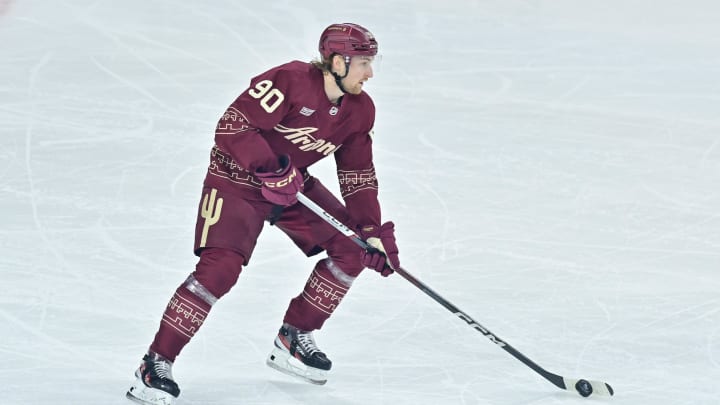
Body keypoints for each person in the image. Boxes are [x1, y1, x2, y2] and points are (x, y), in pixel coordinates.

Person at [126, 23, 401, 405]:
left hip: (291, 188)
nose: (370, 73)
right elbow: (232, 127)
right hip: (235, 181)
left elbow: (357, 176)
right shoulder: (289, 79)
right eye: (365, 63)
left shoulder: (359, 110)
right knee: (220, 270)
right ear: (338, 61)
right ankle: (155, 363)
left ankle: (293, 338)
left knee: (353, 250)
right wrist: (268, 166)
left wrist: (370, 232)